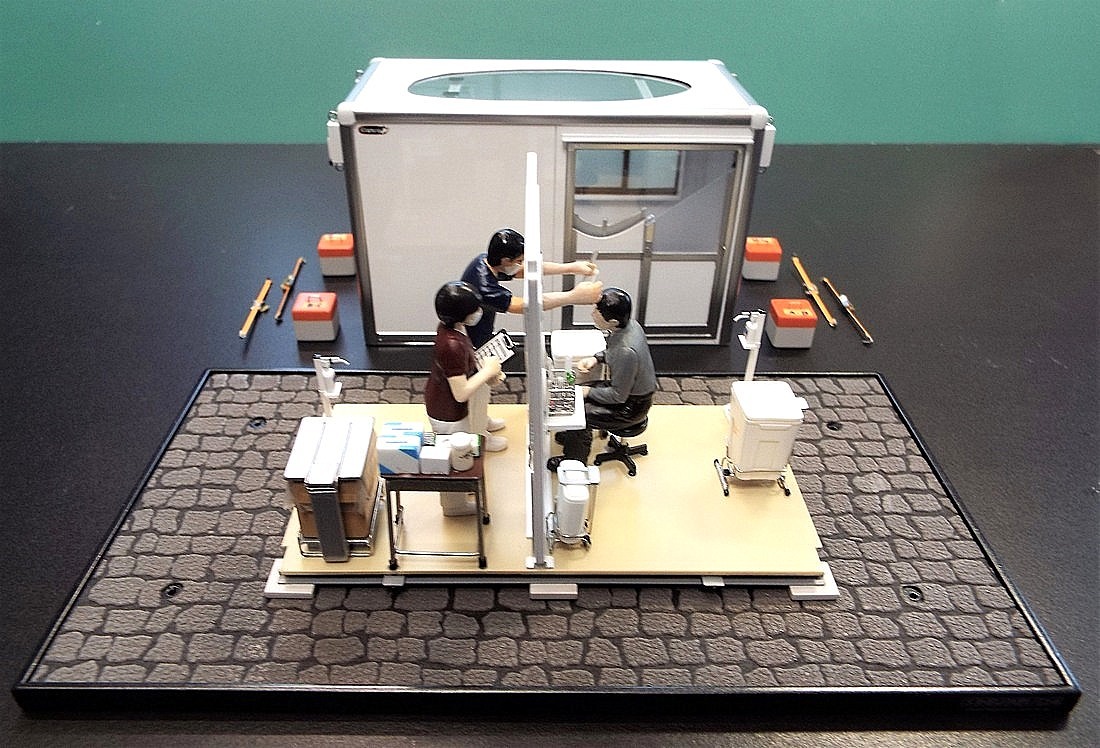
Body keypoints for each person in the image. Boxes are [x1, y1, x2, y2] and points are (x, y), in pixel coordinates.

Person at [424, 281, 507, 516]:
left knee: (461, 451)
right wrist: (487, 372)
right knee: (455, 456)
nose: (478, 313)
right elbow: (460, 393)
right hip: (447, 412)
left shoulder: (453, 330)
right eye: (474, 309)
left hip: (446, 404)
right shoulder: (451, 344)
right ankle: (454, 505)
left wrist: (485, 370)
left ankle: (461, 492)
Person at [554, 287, 657, 467]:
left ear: (613, 321)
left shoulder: (627, 351)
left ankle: (574, 461)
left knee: (581, 414)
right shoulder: (630, 326)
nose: (592, 314)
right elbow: (613, 350)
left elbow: (618, 397)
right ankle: (573, 435)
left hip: (631, 407)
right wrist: (597, 358)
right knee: (580, 394)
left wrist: (588, 392)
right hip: (629, 391)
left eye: (597, 312)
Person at [460, 228, 603, 348]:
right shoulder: (484, 288)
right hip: (474, 341)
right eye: (519, 261)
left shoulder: (486, 261)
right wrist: (574, 296)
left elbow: (525, 270)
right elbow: (529, 305)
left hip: (482, 329)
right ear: (506, 260)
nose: (521, 264)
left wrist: (571, 268)